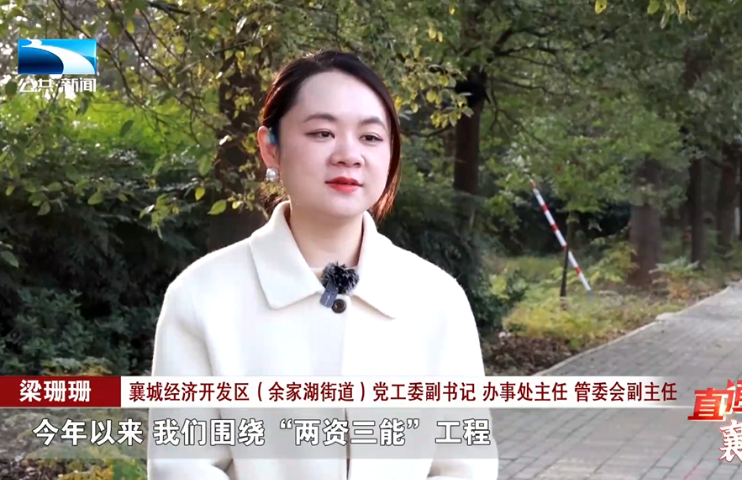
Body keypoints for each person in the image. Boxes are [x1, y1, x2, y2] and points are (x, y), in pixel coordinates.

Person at [147, 50, 499, 480]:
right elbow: (184, 465)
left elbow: (465, 466)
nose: (349, 154)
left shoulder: (437, 299)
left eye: (371, 137)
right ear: (270, 147)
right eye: (322, 133)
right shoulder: (203, 296)